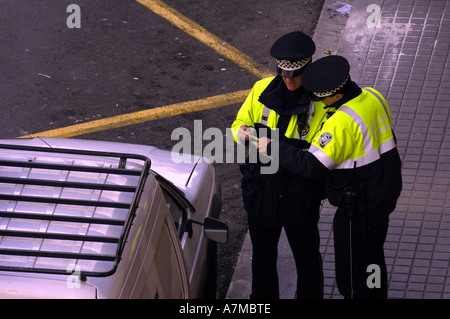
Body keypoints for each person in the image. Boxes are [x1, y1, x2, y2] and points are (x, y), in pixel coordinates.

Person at [257, 55, 402, 299]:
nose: (320, 103)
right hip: (383, 199)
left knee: (352, 276)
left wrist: (273, 147)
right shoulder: (373, 96)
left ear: (335, 95)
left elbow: (312, 166)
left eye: (321, 98)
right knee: (373, 260)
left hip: (358, 208)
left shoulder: (340, 122)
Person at [231, 31, 329, 299]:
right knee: (262, 258)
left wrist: (276, 148)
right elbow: (239, 123)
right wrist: (242, 134)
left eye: (296, 74)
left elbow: (321, 153)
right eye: (284, 74)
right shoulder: (262, 90)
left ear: (308, 68)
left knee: (307, 258)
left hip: (299, 195)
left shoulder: (320, 102)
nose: (290, 81)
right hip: (262, 191)